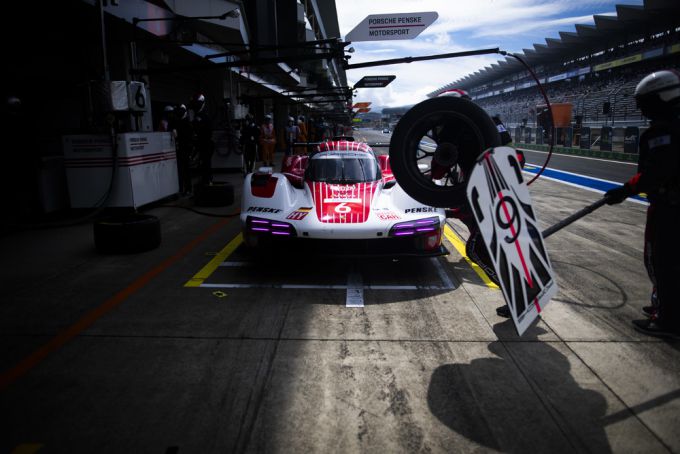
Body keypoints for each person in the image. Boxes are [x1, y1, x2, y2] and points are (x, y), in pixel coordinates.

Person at [605, 69, 680, 339]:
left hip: (670, 209)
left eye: (646, 103)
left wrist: (626, 190)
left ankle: (668, 320)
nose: (643, 109)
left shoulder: (664, 131)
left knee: (662, 261)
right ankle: (667, 307)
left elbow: (658, 170)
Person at [191, 93, 214, 184]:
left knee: (206, 164)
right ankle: (205, 182)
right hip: (200, 145)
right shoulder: (196, 116)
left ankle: (208, 182)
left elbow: (208, 132)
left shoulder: (204, 116)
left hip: (206, 144)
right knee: (202, 165)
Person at [173, 104, 194, 195]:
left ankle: (188, 189)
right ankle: (182, 188)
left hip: (185, 150)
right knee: (181, 171)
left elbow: (190, 138)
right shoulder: (178, 122)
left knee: (186, 171)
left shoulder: (187, 123)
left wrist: (190, 151)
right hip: (180, 149)